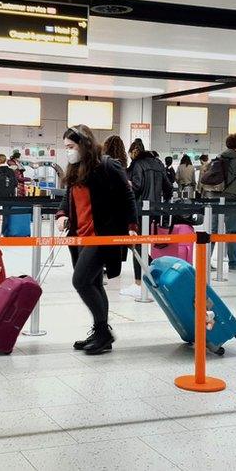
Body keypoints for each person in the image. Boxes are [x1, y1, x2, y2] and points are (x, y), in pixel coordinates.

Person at [56, 125, 137, 355]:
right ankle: (101, 334)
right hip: (80, 236)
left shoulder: (108, 165)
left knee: (80, 281)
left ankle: (103, 332)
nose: (68, 152)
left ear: (84, 144)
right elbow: (69, 198)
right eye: (66, 148)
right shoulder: (74, 169)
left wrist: (132, 226)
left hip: (102, 235)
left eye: (71, 146)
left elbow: (127, 195)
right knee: (94, 283)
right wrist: (62, 215)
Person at [124, 139, 172, 296]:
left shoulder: (137, 164)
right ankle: (152, 269)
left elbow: (136, 187)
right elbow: (168, 188)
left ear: (134, 152)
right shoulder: (158, 164)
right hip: (154, 210)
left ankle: (139, 282)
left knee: (136, 244)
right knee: (141, 244)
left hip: (138, 209)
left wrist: (126, 182)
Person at [207, 134, 236, 271]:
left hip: (215, 196)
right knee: (231, 230)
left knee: (213, 229)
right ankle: (233, 262)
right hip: (231, 198)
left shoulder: (219, 157)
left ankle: (206, 261)